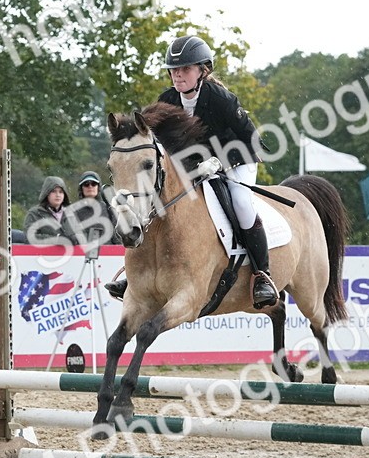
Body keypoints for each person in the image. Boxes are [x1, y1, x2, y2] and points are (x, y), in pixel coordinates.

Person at [107, 35, 277, 307]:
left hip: (237, 161)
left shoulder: (222, 99)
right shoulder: (167, 99)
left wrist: (221, 162)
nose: (178, 75)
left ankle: (261, 275)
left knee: (242, 203)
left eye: (185, 69)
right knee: (153, 200)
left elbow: (252, 141)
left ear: (203, 70)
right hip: (194, 168)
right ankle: (133, 274)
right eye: (174, 70)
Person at [67, 170, 120, 250]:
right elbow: (70, 238)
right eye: (86, 184)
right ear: (81, 188)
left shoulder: (109, 208)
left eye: (93, 184)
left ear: (98, 187)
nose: (90, 186)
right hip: (80, 257)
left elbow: (118, 238)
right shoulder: (72, 211)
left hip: (108, 257)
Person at [24, 176, 75, 244]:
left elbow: (83, 236)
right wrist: (56, 239)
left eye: (61, 192)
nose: (58, 195)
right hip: (42, 254)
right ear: (47, 193)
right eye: (54, 191)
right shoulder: (34, 213)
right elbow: (29, 238)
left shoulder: (72, 213)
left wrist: (76, 238)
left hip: (70, 253)